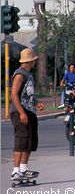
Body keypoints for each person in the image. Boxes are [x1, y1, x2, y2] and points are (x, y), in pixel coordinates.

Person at [10, 48, 45, 181]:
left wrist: (36, 103)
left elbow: (27, 94)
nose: (36, 61)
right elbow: (14, 94)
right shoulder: (20, 74)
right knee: (21, 140)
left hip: (29, 110)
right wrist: (21, 112)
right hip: (21, 112)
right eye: (34, 59)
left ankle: (24, 169)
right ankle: (16, 171)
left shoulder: (28, 74)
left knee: (30, 140)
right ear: (30, 60)